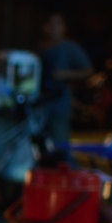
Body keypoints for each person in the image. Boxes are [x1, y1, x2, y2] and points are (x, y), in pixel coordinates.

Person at [36, 12, 92, 155]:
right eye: (51, 24)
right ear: (45, 27)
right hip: (40, 101)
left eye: (58, 24)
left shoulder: (69, 47)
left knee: (60, 143)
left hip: (59, 101)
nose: (54, 28)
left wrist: (65, 74)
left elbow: (87, 71)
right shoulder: (41, 48)